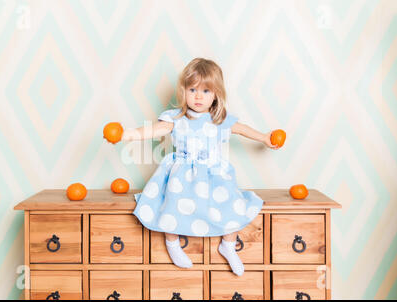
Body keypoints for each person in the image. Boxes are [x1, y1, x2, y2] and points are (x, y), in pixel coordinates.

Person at [117, 58, 279, 276]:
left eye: (205, 90)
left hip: (214, 175)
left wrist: (264, 137)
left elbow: (241, 129)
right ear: (183, 91)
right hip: (182, 173)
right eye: (192, 89)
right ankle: (172, 243)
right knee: (171, 204)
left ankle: (228, 245)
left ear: (216, 94)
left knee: (233, 205)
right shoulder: (176, 119)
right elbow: (153, 130)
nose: (198, 96)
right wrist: (128, 134)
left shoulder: (219, 120)